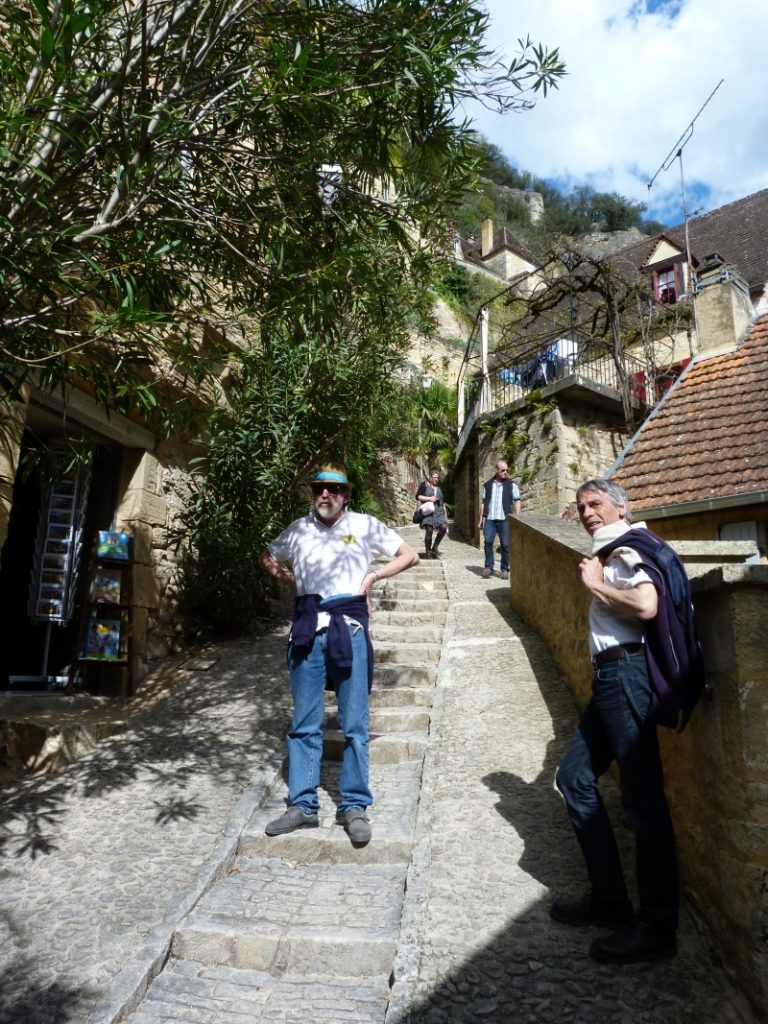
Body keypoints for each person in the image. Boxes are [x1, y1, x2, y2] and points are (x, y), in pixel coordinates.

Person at [551, 479, 680, 964]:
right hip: (612, 679)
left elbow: (646, 604)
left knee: (644, 803)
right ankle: (609, 899)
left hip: (626, 674)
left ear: (620, 508)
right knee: (574, 777)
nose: (587, 512)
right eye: (581, 506)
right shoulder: (613, 546)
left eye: (596, 504)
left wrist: (594, 585)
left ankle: (658, 929)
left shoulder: (624, 548)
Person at [259, 463, 418, 845]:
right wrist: (290, 579)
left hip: (349, 629)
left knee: (355, 724)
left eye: (333, 489)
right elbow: (267, 556)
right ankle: (303, 805)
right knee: (304, 722)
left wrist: (373, 577)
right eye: (319, 489)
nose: (325, 495)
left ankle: (354, 805)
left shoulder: (364, 525)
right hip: (306, 630)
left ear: (346, 494)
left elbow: (409, 554)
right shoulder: (299, 529)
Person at [478, 460, 521, 579]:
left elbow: (517, 500)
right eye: (503, 470)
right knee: (488, 543)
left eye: (507, 470)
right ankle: (489, 567)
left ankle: (504, 569)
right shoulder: (488, 485)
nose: (505, 472)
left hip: (505, 519)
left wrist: (517, 516)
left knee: (506, 545)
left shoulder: (511, 485)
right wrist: (481, 519)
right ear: (496, 470)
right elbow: (483, 503)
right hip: (490, 519)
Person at [416, 468, 449, 559]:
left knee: (443, 527)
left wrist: (446, 520)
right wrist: (430, 498)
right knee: (429, 531)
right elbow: (418, 496)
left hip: (439, 513)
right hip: (428, 512)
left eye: (437, 478)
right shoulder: (424, 485)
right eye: (435, 477)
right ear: (430, 477)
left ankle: (434, 547)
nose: (436, 479)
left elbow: (443, 504)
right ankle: (428, 551)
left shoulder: (439, 489)